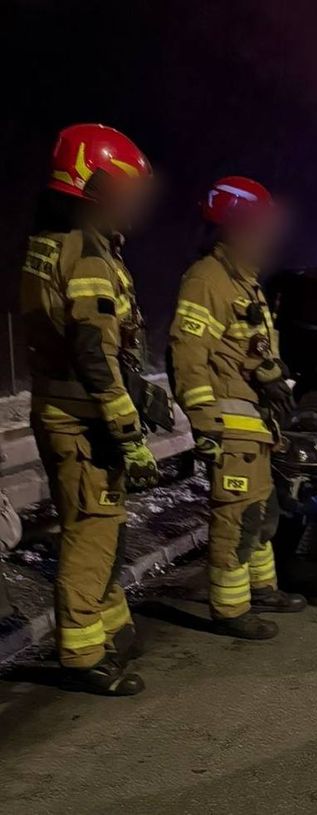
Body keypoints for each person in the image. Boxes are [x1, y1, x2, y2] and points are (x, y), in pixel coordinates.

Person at [20, 124, 161, 695]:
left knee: (98, 526)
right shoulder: (87, 256)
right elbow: (93, 352)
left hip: (65, 412)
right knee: (91, 533)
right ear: (98, 183)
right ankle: (81, 656)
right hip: (84, 420)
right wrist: (129, 430)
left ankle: (110, 630)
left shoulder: (55, 241)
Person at [167, 176, 305, 640]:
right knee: (235, 516)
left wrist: (270, 377)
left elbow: (249, 348)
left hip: (254, 424)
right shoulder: (208, 279)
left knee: (261, 511)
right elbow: (189, 354)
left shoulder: (244, 282)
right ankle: (230, 608)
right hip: (230, 425)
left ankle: (261, 588)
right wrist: (205, 423)